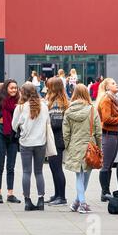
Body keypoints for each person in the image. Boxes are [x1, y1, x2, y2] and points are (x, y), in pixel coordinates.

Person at [63, 84, 102, 214]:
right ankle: (82, 203)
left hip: (75, 145)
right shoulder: (92, 110)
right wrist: (99, 147)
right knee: (85, 176)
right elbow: (98, 132)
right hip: (89, 146)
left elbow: (66, 133)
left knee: (79, 176)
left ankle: (77, 202)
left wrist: (68, 146)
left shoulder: (69, 111)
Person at [12, 82, 49, 211]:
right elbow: (47, 123)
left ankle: (27, 201)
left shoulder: (20, 108)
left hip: (26, 143)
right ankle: (41, 200)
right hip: (40, 142)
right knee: (39, 172)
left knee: (26, 172)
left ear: (23, 93)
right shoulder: (44, 106)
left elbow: (13, 125)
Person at [96, 78, 118, 202]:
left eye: (115, 82)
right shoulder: (106, 99)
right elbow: (106, 119)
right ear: (107, 87)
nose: (116, 84)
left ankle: (106, 191)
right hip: (108, 134)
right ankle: (105, 192)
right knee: (106, 165)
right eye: (113, 83)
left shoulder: (113, 99)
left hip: (114, 133)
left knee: (109, 165)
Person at [0, 79, 21, 204]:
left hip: (13, 135)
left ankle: (10, 193)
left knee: (11, 166)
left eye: (15, 88)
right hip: (0, 133)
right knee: (0, 165)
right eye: (11, 88)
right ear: (6, 89)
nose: (14, 90)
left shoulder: (19, 102)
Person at [44, 77, 68, 206]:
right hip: (56, 138)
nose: (47, 88)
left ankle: (62, 196)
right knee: (54, 168)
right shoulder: (55, 101)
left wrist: (45, 122)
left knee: (57, 168)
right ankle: (57, 194)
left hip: (57, 139)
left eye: (49, 86)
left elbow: (56, 123)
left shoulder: (57, 103)